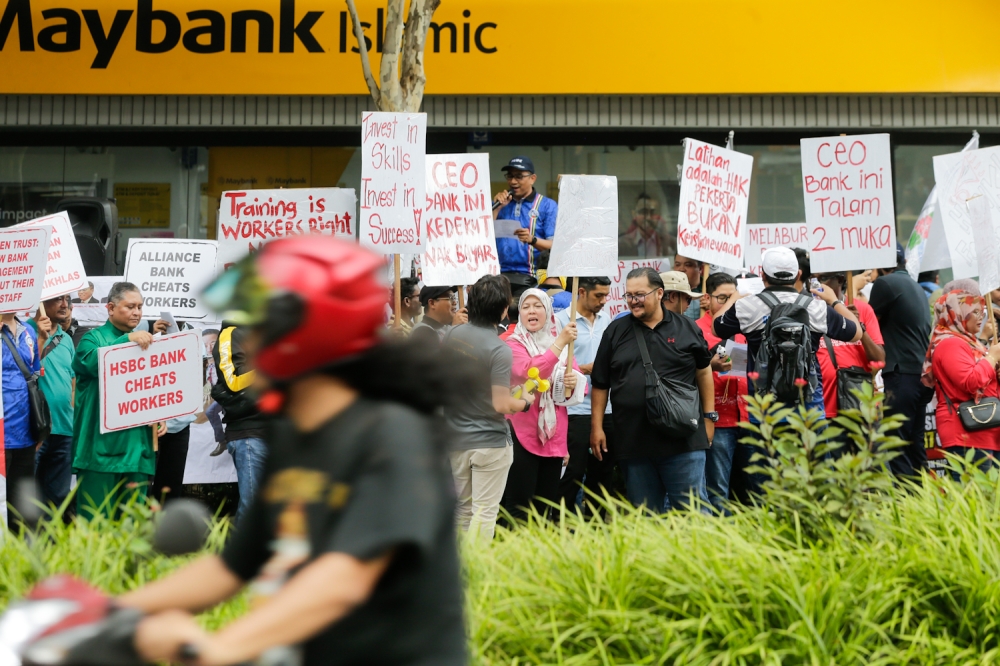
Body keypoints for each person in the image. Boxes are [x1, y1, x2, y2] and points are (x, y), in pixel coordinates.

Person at [120, 236, 467, 666]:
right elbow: (230, 568)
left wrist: (215, 649)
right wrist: (115, 612)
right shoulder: (293, 437)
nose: (250, 346)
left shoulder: (394, 436)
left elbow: (343, 580)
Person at [591, 268, 715, 512]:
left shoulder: (686, 328)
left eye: (640, 294)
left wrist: (709, 417)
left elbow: (704, 371)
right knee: (645, 518)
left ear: (659, 293)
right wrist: (596, 427)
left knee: (693, 514)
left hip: (684, 441)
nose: (633, 301)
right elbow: (601, 383)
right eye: (629, 295)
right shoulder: (615, 332)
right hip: (634, 442)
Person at [712, 247, 862, 414]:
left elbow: (716, 328)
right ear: (798, 275)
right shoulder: (816, 307)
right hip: (808, 405)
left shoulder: (746, 306)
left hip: (764, 407)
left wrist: (734, 297)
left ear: (762, 275)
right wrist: (834, 301)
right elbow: (856, 333)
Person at [72, 282, 168, 517]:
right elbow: (88, 363)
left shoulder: (148, 344)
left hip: (137, 451)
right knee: (95, 530)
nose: (137, 312)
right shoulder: (92, 339)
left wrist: (159, 413)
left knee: (132, 532)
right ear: (111, 308)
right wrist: (126, 341)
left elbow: (151, 386)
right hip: (99, 453)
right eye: (130, 306)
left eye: (140, 307)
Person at [445, 275, 528, 541]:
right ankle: (480, 576)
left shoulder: (454, 333)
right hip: (489, 443)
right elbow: (502, 403)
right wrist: (525, 401)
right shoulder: (498, 348)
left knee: (462, 512)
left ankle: (459, 574)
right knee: (485, 513)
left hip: (455, 438)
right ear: (505, 308)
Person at [501, 289, 585, 522]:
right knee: (519, 506)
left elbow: (581, 385)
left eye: (538, 306)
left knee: (544, 507)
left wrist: (573, 380)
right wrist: (560, 343)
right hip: (521, 433)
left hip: (554, 435)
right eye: (526, 306)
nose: (531, 311)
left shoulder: (561, 343)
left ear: (548, 312)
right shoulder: (513, 343)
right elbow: (529, 371)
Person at [554, 276, 621, 511]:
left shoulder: (607, 320)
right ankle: (562, 524)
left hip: (606, 407)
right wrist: (583, 369)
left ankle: (596, 528)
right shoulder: (561, 322)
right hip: (574, 409)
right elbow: (552, 364)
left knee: (603, 472)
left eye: (606, 295)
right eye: (598, 296)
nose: (604, 300)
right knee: (572, 472)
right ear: (581, 292)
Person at [921, 283, 1000, 479]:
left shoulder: (968, 341)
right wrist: (992, 357)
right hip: (968, 434)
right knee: (976, 497)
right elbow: (971, 381)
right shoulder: (949, 343)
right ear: (957, 313)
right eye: (974, 311)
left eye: (981, 310)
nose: (981, 315)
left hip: (985, 429)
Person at [869, 244, 934, 477]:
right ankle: (923, 504)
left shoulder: (885, 284)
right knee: (914, 444)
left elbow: (866, 322)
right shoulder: (914, 285)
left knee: (895, 444)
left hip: (900, 375)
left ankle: (905, 503)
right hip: (919, 375)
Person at [694, 272, 749, 513]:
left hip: (749, 417)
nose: (729, 304)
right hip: (719, 419)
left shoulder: (746, 325)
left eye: (733, 298)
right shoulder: (696, 328)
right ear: (707, 298)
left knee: (753, 488)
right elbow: (720, 355)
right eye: (723, 298)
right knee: (718, 491)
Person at [814, 272, 885, 433]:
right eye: (814, 278)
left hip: (859, 408)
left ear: (839, 280)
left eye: (823, 278)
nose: (817, 284)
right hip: (822, 410)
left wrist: (858, 326)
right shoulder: (811, 310)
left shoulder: (863, 309)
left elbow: (879, 359)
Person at [212, 322, 268, 521]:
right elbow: (234, 380)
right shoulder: (232, 333)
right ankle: (242, 553)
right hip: (250, 433)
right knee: (253, 509)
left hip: (280, 432)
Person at [27, 295, 76, 511]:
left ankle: (52, 543)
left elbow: (73, 384)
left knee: (57, 498)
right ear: (40, 302)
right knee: (27, 498)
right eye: (57, 299)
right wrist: (39, 337)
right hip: (32, 431)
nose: (65, 304)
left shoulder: (65, 339)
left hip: (64, 430)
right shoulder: (21, 332)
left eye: (67, 299)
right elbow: (22, 373)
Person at [493, 156, 558, 299]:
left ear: (532, 178)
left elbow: (556, 246)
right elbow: (482, 236)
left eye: (519, 176)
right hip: (499, 277)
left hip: (532, 279)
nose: (513, 181)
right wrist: (496, 209)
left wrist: (532, 240)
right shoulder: (500, 204)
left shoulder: (547, 205)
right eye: (510, 176)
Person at [1, 308, 43, 525]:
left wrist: (39, 426)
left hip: (25, 431)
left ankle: (20, 554)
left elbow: (35, 373)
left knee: (21, 504)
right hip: (2, 433)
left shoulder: (28, 330)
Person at [151, 414, 195, 504]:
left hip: (180, 425)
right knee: (143, 483)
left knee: (172, 486)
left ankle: (168, 517)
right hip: (150, 425)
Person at [619, 193, 673, 258]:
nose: (648, 217)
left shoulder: (665, 241)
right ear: (634, 214)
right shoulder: (623, 243)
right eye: (643, 212)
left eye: (652, 213)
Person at [672, 255, 705, 319]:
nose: (681, 269)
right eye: (677, 264)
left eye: (688, 265)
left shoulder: (711, 291)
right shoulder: (667, 293)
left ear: (700, 268)